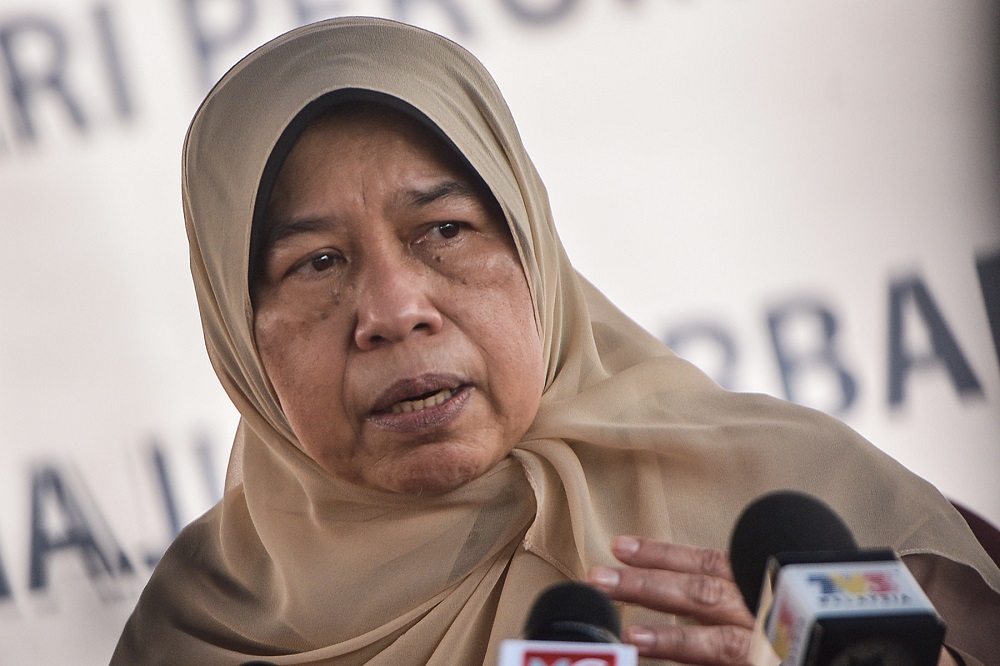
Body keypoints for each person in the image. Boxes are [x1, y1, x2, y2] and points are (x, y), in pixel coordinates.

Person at [113, 16, 1000, 666]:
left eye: (445, 230)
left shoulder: (791, 500)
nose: (394, 309)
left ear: (532, 250)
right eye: (317, 263)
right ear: (238, 335)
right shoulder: (200, 629)